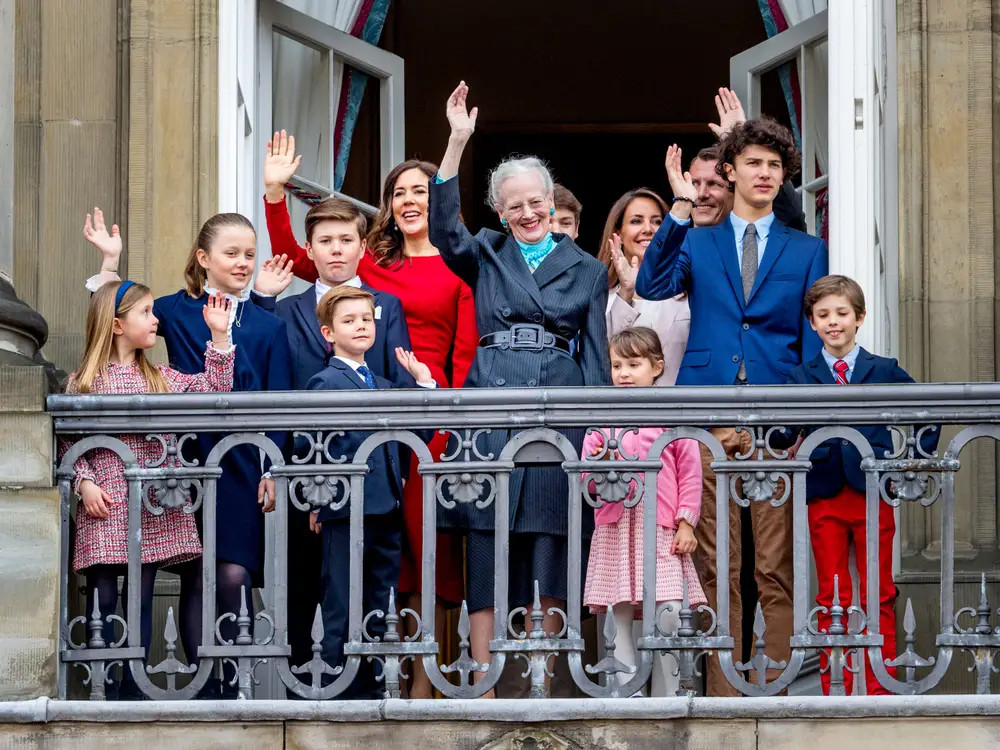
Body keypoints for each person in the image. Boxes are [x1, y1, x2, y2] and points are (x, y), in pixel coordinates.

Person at [262, 135, 477, 697]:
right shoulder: (289, 310)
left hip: (374, 475)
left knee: (365, 590)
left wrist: (424, 395)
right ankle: (300, 698)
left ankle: (357, 692)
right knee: (304, 587)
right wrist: (273, 193)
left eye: (346, 241)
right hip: (303, 476)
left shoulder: (385, 306)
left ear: (364, 247)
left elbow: (399, 383)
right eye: (325, 242)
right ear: (312, 251)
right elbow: (278, 392)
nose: (335, 250)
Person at [633, 117, 828, 696]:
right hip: (709, 414)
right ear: (730, 172)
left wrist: (798, 420)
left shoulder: (806, 248)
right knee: (716, 565)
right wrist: (678, 209)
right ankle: (723, 691)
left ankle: (774, 683)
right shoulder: (698, 237)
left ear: (783, 176)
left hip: (775, 421)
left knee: (774, 565)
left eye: (774, 166)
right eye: (753, 163)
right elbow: (652, 284)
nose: (764, 173)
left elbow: (811, 339)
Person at [430, 81, 611, 697]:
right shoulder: (485, 253)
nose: (528, 214)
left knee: (550, 541)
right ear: (500, 212)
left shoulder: (587, 268)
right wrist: (456, 142)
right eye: (515, 207)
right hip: (491, 406)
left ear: (550, 202)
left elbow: (598, 358)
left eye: (537, 202)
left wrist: (598, 435)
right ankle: (483, 679)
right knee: (486, 541)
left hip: (560, 409)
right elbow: (442, 227)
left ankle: (548, 681)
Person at [83, 208, 292, 697]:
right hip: (176, 462)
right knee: (185, 566)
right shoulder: (172, 311)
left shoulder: (267, 324)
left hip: (239, 464)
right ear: (204, 258)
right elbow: (113, 314)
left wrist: (274, 466)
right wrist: (110, 264)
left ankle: (224, 683)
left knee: (230, 570)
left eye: (249, 254)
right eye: (231, 254)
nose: (243, 262)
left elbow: (279, 402)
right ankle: (178, 686)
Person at [60, 280, 235, 699]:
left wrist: (220, 335)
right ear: (117, 325)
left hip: (154, 506)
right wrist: (83, 482)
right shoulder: (84, 381)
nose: (156, 320)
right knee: (102, 598)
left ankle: (132, 688)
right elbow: (67, 441)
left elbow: (215, 392)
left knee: (138, 597)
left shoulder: (161, 378)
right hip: (103, 503)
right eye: (145, 312)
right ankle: (102, 687)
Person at [785, 275, 936, 695]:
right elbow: (781, 430)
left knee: (878, 589)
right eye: (823, 316)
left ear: (859, 318)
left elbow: (928, 409)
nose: (833, 323)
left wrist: (912, 460)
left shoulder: (883, 369)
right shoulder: (801, 376)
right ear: (813, 324)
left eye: (841, 314)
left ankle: (880, 682)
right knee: (835, 592)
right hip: (824, 494)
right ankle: (842, 684)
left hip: (873, 493)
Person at [305, 285, 436, 698]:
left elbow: (417, 437)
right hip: (345, 509)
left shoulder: (382, 383)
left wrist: (424, 385)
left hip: (386, 508)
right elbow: (314, 446)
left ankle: (373, 687)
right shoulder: (324, 382)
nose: (361, 326)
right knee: (342, 602)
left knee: (380, 603)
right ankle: (334, 692)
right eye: (349, 321)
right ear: (329, 333)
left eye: (366, 319)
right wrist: (317, 500)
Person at [582, 327, 705, 696]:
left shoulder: (670, 413)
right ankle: (628, 692)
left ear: (657, 367)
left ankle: (667, 692)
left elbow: (690, 470)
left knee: (668, 609)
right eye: (617, 365)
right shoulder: (603, 419)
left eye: (633, 364)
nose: (623, 373)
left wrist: (686, 522)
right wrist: (600, 465)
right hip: (615, 528)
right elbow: (587, 475)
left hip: (661, 528)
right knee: (617, 611)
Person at [598, 188, 689, 385]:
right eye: (636, 221)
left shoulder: (689, 294)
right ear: (618, 233)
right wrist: (626, 292)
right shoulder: (601, 298)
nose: (648, 229)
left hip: (682, 411)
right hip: (623, 413)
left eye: (658, 222)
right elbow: (602, 358)